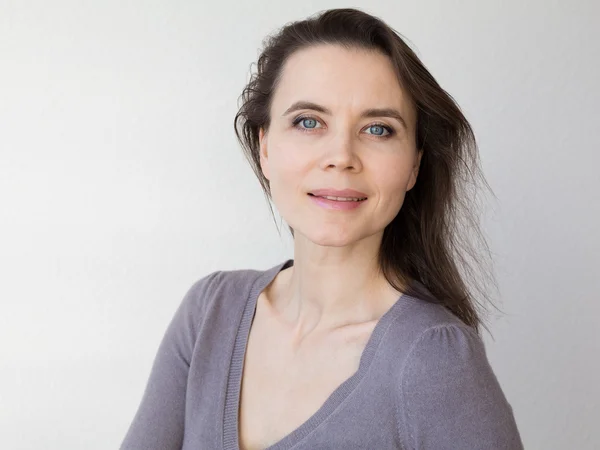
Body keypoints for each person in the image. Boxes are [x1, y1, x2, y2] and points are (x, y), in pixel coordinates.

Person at [120, 7, 524, 450]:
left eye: (377, 129)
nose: (341, 156)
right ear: (266, 146)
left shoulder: (437, 359)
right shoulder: (208, 314)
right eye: (308, 122)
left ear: (414, 165)